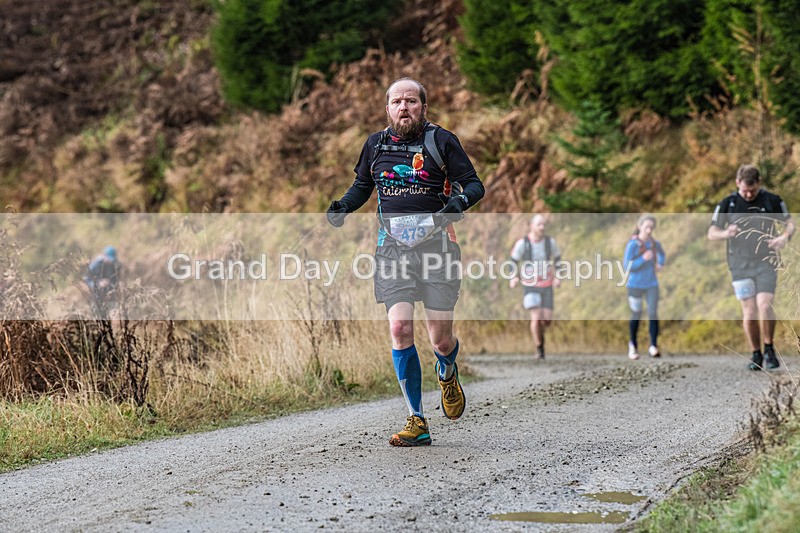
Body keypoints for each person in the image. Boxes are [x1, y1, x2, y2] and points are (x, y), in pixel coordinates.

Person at [326, 78, 484, 446]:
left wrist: (458, 202)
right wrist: (344, 206)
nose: (404, 107)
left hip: (437, 249)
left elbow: (474, 184)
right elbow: (363, 186)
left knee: (440, 340)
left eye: (411, 101)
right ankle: (417, 419)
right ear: (387, 109)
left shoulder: (441, 141)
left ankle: (446, 369)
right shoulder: (375, 145)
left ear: (423, 107)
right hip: (393, 249)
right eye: (396, 101)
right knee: (399, 329)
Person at [708, 164, 794, 371]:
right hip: (739, 265)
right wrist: (726, 233)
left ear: (759, 184)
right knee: (749, 309)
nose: (748, 195)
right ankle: (756, 353)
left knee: (765, 304)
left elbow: (790, 223)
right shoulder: (727, 204)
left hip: (766, 261)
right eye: (744, 190)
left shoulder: (771, 200)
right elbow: (712, 232)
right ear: (737, 183)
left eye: (752, 190)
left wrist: (784, 237)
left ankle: (769, 348)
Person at [509, 214, 561, 359]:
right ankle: (539, 348)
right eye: (539, 225)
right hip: (530, 284)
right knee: (536, 317)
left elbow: (557, 259)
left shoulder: (550, 243)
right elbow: (513, 261)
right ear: (531, 226)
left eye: (543, 224)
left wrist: (558, 277)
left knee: (547, 320)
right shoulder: (523, 243)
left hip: (547, 283)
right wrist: (513, 276)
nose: (542, 227)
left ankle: (540, 340)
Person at [623, 214, 666, 360]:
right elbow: (627, 266)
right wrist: (642, 259)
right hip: (634, 284)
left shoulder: (654, 243)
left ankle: (653, 345)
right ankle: (633, 346)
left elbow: (662, 254)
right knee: (636, 313)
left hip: (651, 284)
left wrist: (660, 263)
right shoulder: (633, 245)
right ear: (640, 226)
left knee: (653, 313)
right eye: (646, 227)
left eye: (651, 228)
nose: (649, 230)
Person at [83, 245, 120, 316]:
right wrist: (98, 283)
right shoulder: (95, 265)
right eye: (108, 259)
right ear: (104, 255)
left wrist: (113, 284)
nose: (110, 261)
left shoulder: (115, 264)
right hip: (97, 296)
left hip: (110, 295)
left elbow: (115, 279)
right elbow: (87, 279)